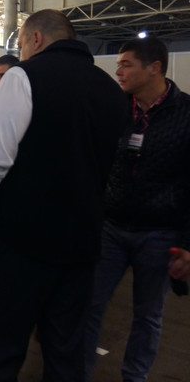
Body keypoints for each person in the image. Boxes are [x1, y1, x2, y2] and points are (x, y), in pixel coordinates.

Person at [0, 9, 128, 381]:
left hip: (23, 242)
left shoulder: (25, 76)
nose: (21, 52)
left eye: (21, 44)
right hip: (83, 245)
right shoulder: (110, 89)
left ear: (36, 38)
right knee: (65, 353)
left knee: (1, 350)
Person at [84, 37, 190, 382]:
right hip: (111, 227)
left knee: (148, 315)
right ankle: (76, 372)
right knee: (89, 306)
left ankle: (134, 376)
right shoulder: (116, 109)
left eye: (126, 64)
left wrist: (187, 243)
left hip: (160, 234)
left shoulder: (185, 113)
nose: (118, 71)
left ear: (154, 67)